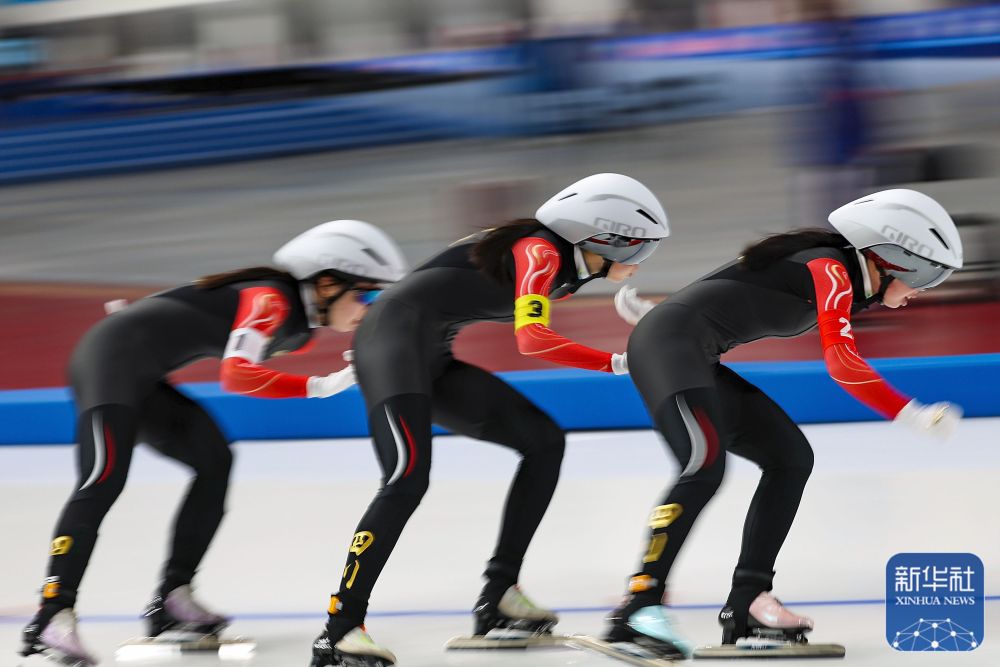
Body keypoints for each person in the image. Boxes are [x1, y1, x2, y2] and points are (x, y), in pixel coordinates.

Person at [310, 173, 670, 667]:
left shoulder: (564, 263)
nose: (642, 262)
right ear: (602, 238)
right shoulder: (541, 251)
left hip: (429, 354)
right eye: (639, 248)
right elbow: (533, 338)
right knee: (405, 479)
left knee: (543, 441)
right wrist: (619, 362)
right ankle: (340, 629)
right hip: (389, 347)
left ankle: (499, 594)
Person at [20, 220, 408, 667]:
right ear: (326, 283)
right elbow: (236, 374)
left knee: (214, 460)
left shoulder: (298, 327)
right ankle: (52, 612)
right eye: (367, 296)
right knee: (102, 479)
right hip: (105, 361)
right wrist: (321, 386)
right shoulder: (272, 299)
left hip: (140, 376)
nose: (369, 310)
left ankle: (174, 596)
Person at [607, 189, 963, 657]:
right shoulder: (831, 270)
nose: (925, 288)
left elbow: (729, 285)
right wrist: (907, 411)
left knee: (789, 458)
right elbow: (842, 363)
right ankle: (639, 605)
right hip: (669, 349)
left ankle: (749, 600)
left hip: (686, 350)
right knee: (703, 467)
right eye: (928, 274)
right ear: (894, 257)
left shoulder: (833, 269)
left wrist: (668, 312)